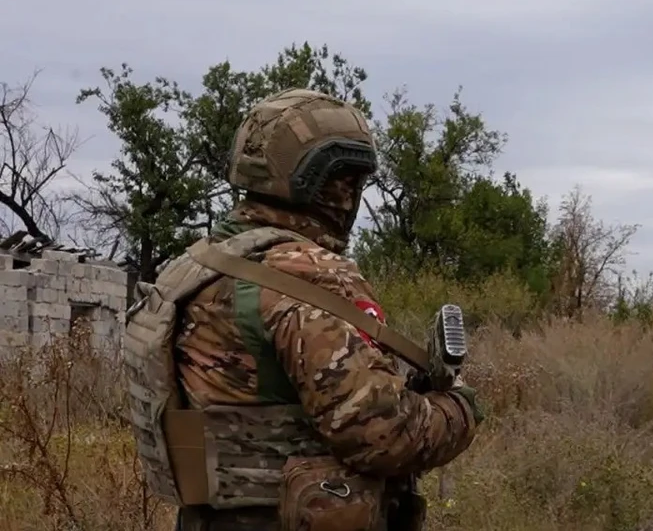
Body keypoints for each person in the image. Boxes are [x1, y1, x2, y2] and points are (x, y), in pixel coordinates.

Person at [122, 88, 483, 531]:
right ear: (336, 185)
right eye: (351, 182)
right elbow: (385, 436)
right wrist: (459, 407)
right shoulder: (310, 275)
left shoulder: (190, 269)